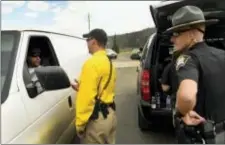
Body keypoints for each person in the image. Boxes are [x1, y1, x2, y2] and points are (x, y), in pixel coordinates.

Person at [164, 5, 225, 143]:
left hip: (203, 136)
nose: (173, 39)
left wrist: (181, 111)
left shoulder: (187, 59)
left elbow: (186, 97)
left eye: (176, 34)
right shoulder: (222, 54)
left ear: (191, 34)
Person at [71, 28, 117, 144]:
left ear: (94, 42)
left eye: (87, 39)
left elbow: (86, 99)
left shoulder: (91, 64)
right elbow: (103, 87)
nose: (86, 43)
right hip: (110, 115)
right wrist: (82, 86)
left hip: (96, 121)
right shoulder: (108, 61)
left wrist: (80, 125)